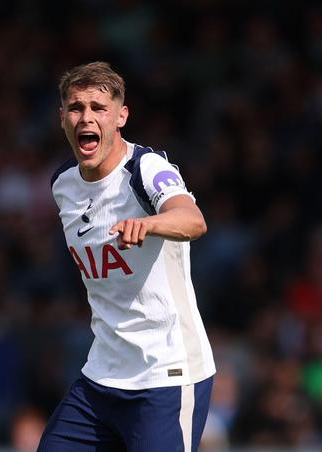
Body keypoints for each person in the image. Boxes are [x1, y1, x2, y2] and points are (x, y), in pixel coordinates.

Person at [38, 61, 216, 451]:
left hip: (166, 375)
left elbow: (193, 220)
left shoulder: (146, 168)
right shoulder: (63, 183)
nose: (87, 117)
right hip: (102, 376)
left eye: (98, 108)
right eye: (76, 107)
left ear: (121, 117)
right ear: (62, 118)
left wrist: (149, 224)